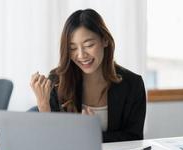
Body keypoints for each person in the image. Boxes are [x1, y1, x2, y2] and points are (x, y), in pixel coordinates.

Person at [30, 9, 146, 142]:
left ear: (105, 40)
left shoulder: (132, 84)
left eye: (89, 45)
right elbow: (51, 140)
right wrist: (43, 105)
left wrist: (91, 134)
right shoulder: (57, 81)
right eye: (72, 48)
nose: (81, 55)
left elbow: (134, 138)